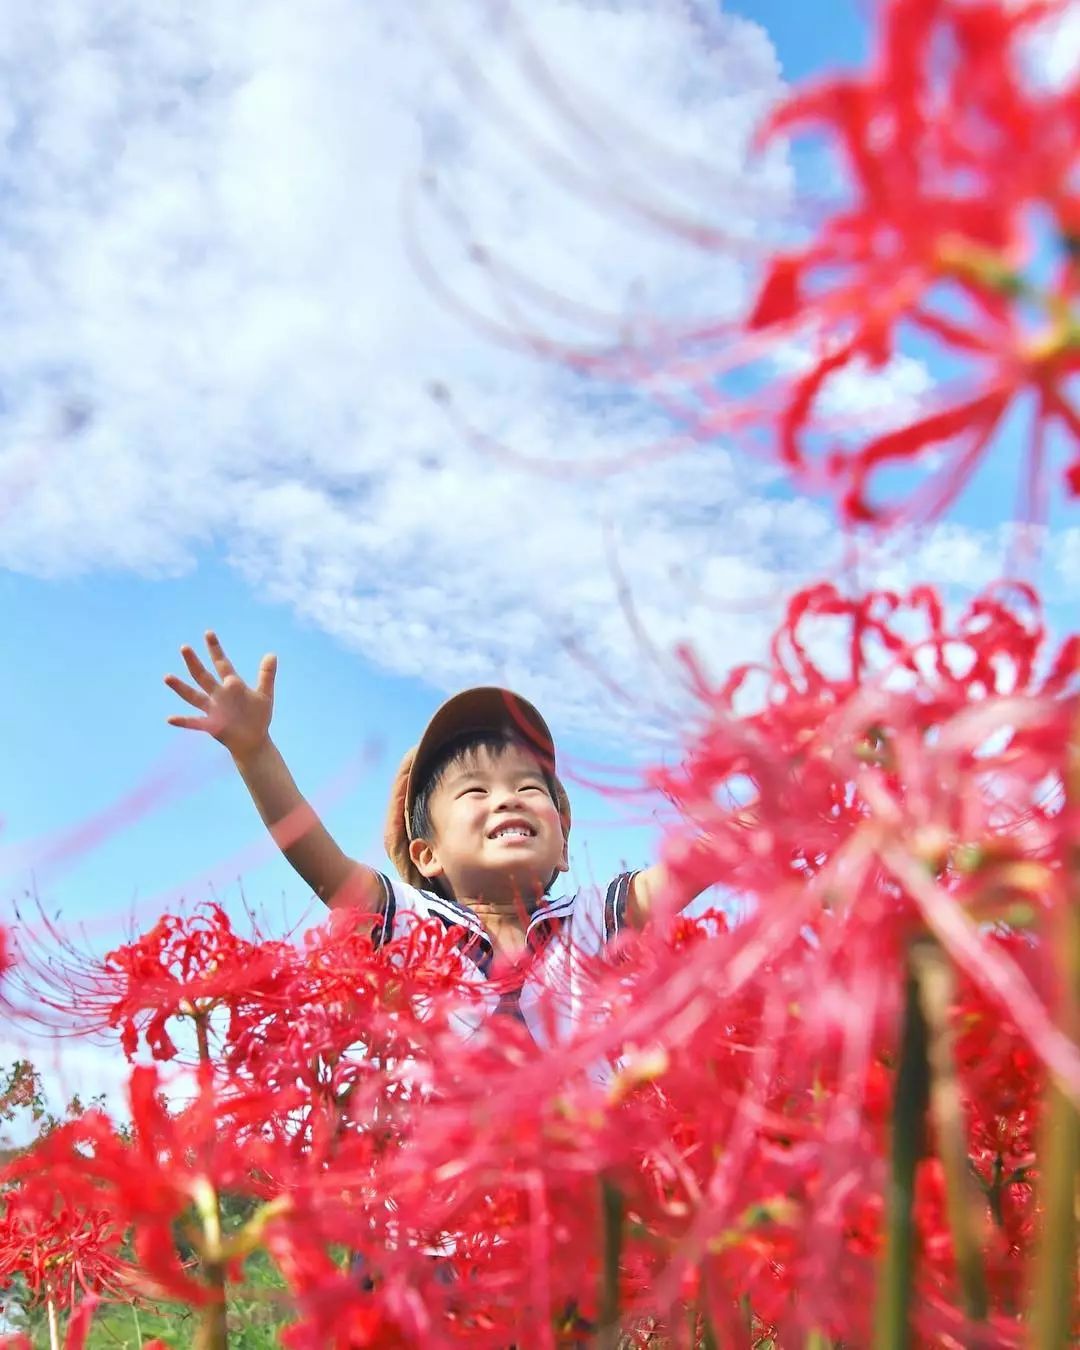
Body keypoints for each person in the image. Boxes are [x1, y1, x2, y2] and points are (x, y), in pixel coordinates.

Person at [164, 632, 680, 1046]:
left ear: (564, 847)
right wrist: (254, 753)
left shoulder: (594, 920)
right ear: (427, 854)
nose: (508, 799)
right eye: (475, 791)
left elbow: (701, 861)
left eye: (528, 786)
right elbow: (315, 856)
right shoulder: (408, 922)